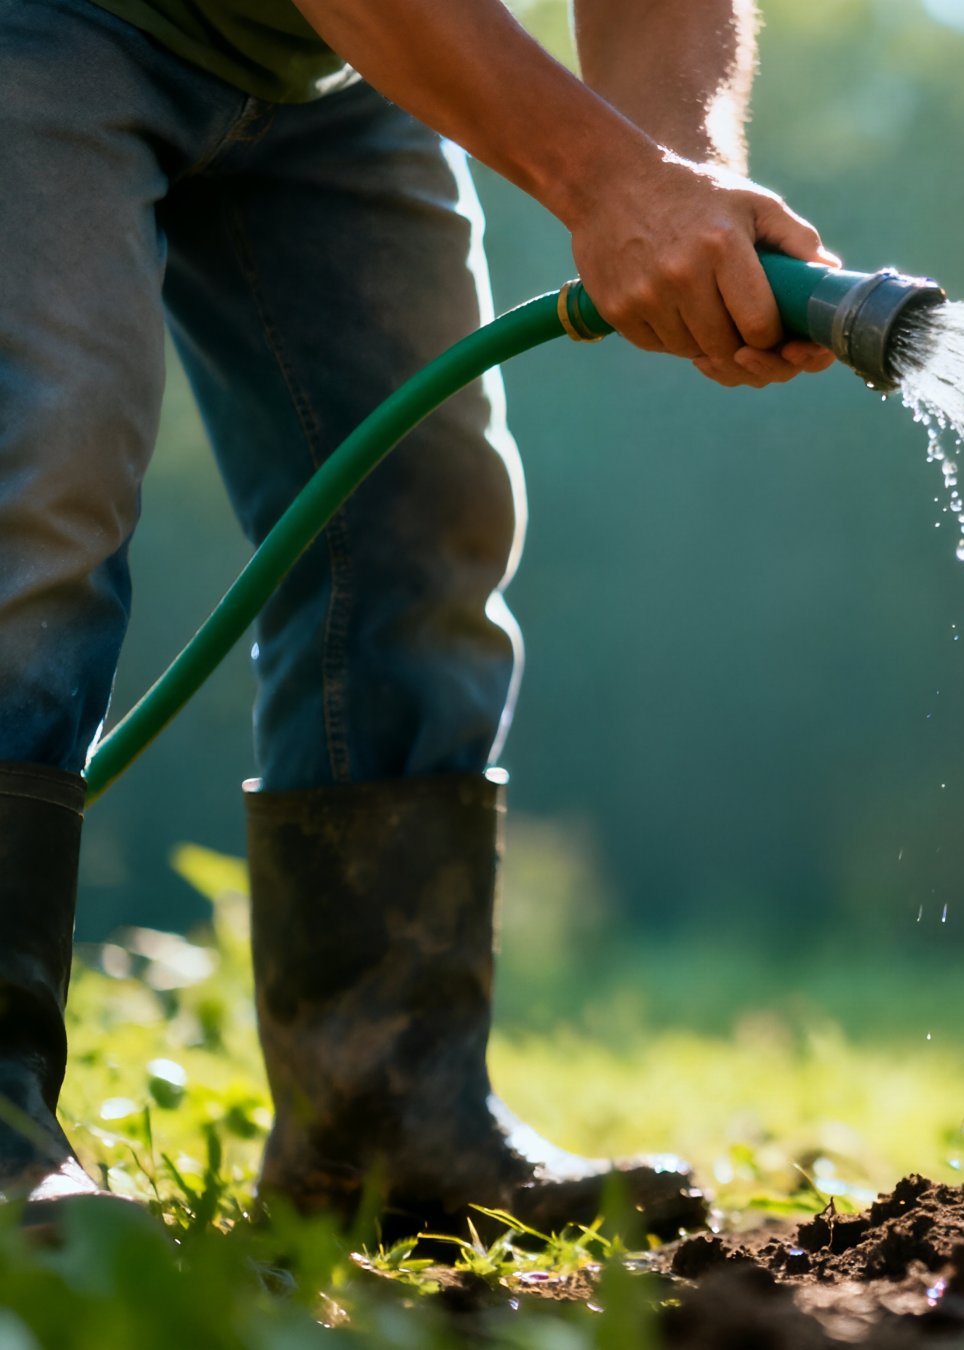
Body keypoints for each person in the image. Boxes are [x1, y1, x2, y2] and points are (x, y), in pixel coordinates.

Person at [0, 0, 838, 1231]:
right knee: (41, 482)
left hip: (328, 71)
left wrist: (687, 178)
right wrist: (610, 179)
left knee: (422, 512)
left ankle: (388, 1124)